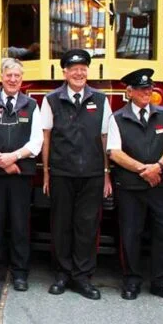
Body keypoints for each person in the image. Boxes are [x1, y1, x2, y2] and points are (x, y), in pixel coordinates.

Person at [40, 49, 112, 300]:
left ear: (87, 72)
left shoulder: (102, 100)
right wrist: (47, 173)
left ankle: (82, 276)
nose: (79, 73)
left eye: (83, 68)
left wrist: (106, 174)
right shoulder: (51, 100)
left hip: (91, 174)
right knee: (61, 225)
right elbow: (46, 138)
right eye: (74, 69)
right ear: (65, 72)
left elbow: (105, 139)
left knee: (87, 226)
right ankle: (62, 274)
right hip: (62, 172)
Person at [107, 68, 163, 302]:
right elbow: (114, 152)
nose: (147, 92)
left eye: (149, 88)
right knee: (130, 234)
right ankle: (131, 280)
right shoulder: (117, 118)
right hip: (130, 187)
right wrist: (143, 169)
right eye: (141, 89)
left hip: (158, 185)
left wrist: (157, 167)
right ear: (129, 92)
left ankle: (161, 282)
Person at [0, 58, 43, 292]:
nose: (13, 80)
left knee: (20, 224)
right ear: (1, 77)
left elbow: (37, 142)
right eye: (9, 75)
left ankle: (20, 272)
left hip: (20, 175)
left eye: (17, 76)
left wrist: (13, 158)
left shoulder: (32, 105)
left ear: (22, 79)